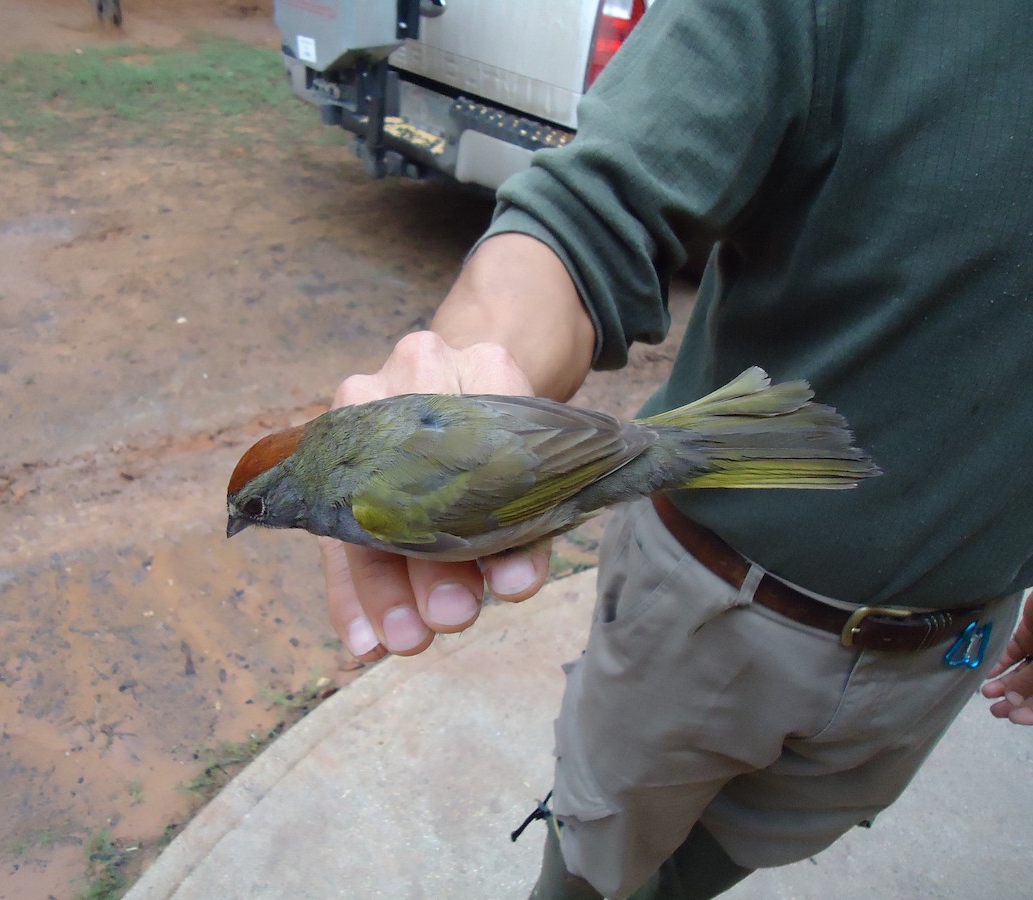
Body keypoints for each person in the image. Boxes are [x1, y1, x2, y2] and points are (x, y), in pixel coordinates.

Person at [316, 1, 1033, 896]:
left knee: (730, 852)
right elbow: (589, 214)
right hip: (705, 593)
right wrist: (474, 367)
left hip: (954, 646)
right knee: (595, 855)